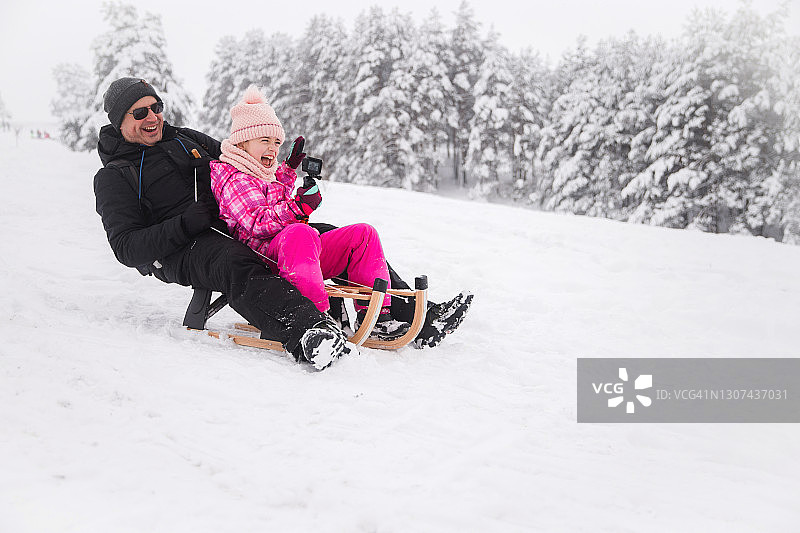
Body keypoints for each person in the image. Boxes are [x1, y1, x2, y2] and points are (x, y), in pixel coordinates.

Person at [93, 77, 354, 369]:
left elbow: (242, 164)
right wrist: (184, 224)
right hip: (182, 249)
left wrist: (285, 170)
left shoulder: (184, 138)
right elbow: (125, 247)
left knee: (315, 234)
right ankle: (311, 331)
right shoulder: (114, 175)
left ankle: (399, 313)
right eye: (140, 112)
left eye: (156, 107)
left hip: (237, 221)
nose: (153, 117)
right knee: (234, 262)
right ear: (119, 121)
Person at [209, 85, 410, 340]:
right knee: (301, 232)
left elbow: (272, 193)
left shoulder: (261, 173)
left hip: (297, 254)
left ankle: (377, 316)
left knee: (363, 235)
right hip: (265, 261)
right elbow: (257, 222)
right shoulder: (234, 178)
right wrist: (298, 207)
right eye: (264, 141)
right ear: (242, 142)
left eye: (276, 142)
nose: (272, 148)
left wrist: (289, 168)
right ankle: (316, 319)